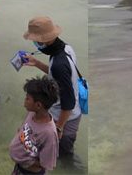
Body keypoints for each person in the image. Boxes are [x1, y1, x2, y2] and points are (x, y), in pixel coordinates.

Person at [22, 16, 82, 166]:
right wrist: (36, 63)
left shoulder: (58, 64)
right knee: (61, 155)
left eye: (36, 41)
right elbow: (58, 76)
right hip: (70, 113)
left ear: (45, 41)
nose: (35, 44)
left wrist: (59, 127)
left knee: (64, 159)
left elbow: (68, 102)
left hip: (66, 117)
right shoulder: (65, 48)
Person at [9, 76, 60, 175]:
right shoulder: (32, 114)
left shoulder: (49, 134)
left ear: (38, 105)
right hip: (19, 168)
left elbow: (46, 163)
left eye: (27, 98)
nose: (24, 101)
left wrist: (27, 161)